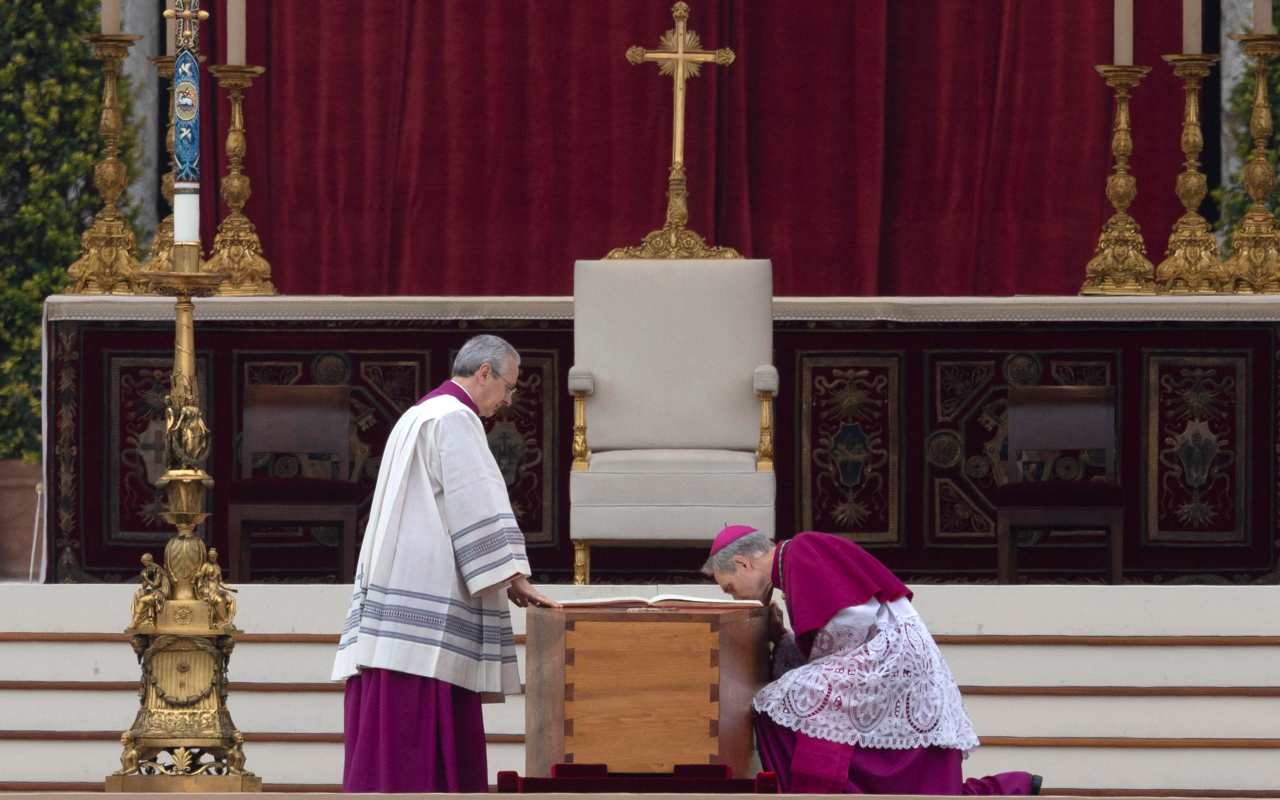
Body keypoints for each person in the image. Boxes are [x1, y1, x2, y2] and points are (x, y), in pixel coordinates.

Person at [332, 334, 558, 793]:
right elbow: (474, 498)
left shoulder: (417, 414)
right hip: (430, 581)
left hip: (396, 575)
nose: (509, 400)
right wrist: (512, 575)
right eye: (509, 386)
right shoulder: (456, 418)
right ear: (484, 373)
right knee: (423, 697)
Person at [704, 525, 1039, 795]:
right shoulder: (791, 559)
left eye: (731, 587)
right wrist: (785, 640)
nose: (736, 596)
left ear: (744, 563)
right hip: (888, 653)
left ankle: (820, 788)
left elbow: (852, 619)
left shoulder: (800, 550)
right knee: (798, 699)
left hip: (890, 655)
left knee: (774, 701)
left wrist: (804, 662)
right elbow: (832, 627)